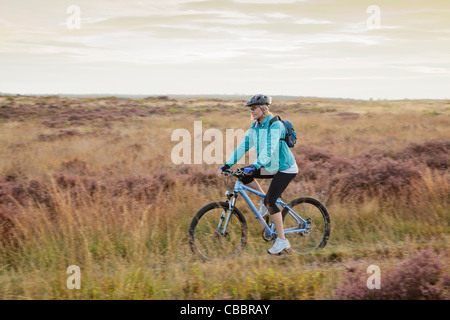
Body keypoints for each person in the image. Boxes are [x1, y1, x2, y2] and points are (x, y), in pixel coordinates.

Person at [216, 94, 298, 255]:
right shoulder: (255, 126)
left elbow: (270, 148)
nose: (252, 111)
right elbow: (244, 145)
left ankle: (282, 241)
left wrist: (256, 165)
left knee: (271, 201)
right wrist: (228, 164)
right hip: (270, 165)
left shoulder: (276, 125)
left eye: (254, 108)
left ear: (264, 108)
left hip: (285, 168)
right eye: (250, 109)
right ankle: (263, 202)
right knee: (244, 176)